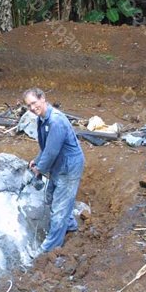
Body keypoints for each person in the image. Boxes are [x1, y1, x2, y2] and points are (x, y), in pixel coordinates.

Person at [23, 87, 85, 255]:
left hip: (69, 165)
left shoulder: (56, 121)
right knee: (51, 195)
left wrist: (40, 169)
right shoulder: (42, 120)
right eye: (29, 105)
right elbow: (45, 147)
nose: (32, 108)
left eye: (34, 103)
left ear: (43, 98)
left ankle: (50, 248)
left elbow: (51, 152)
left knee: (59, 208)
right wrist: (36, 160)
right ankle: (70, 224)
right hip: (59, 164)